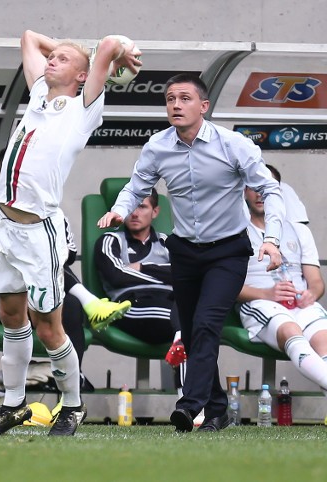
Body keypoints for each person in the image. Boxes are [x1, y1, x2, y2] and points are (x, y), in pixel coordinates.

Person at [98, 72, 285, 433]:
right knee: (193, 329)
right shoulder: (158, 145)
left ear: (204, 106)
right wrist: (121, 209)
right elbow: (137, 187)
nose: (175, 105)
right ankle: (217, 409)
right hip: (183, 251)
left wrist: (272, 238)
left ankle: (190, 403)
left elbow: (269, 189)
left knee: (206, 324)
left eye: (184, 98)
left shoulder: (234, 145)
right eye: (170, 99)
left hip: (228, 252)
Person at [0, 30, 141, 437]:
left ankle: (72, 404)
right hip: (2, 225)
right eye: (54, 58)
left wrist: (121, 49)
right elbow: (29, 38)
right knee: (10, 316)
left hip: (39, 231)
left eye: (63, 61)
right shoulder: (37, 93)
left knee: (48, 326)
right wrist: (67, 53)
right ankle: (13, 406)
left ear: (84, 77)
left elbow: (107, 45)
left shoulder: (83, 107)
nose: (52, 61)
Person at [0, 189, 126, 393]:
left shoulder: (51, 214)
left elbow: (68, 253)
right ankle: (91, 302)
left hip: (44, 290)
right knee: (41, 262)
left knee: (70, 304)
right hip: (2, 296)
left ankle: (71, 385)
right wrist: (37, 248)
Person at [238, 169, 327, 419]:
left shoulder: (298, 230)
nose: (261, 194)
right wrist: (266, 293)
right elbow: (224, 287)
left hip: (298, 302)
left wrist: (311, 294)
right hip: (258, 301)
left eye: (268, 187)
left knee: (324, 339)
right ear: (245, 191)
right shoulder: (236, 232)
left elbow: (316, 283)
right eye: (255, 186)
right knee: (291, 330)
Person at [94, 188, 188, 395]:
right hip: (131, 306)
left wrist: (144, 267)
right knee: (187, 325)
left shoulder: (168, 242)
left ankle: (190, 403)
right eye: (131, 207)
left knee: (192, 322)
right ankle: (188, 400)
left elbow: (186, 274)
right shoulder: (110, 240)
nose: (135, 213)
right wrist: (167, 275)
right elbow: (116, 275)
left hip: (170, 304)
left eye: (142, 206)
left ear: (155, 212)